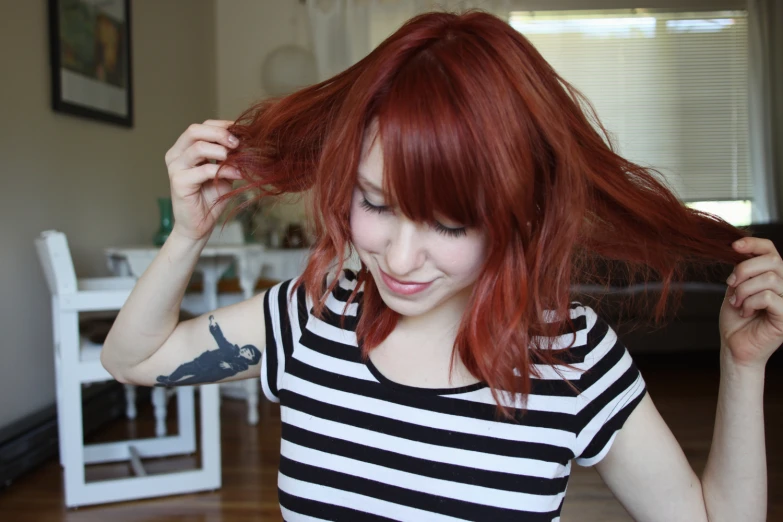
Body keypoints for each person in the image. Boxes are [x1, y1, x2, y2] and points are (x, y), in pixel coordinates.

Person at [102, 10, 776, 521]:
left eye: (448, 224)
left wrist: (742, 370)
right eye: (375, 203)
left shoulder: (569, 357)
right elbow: (132, 359)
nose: (397, 259)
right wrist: (188, 234)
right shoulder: (314, 316)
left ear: (519, 211)